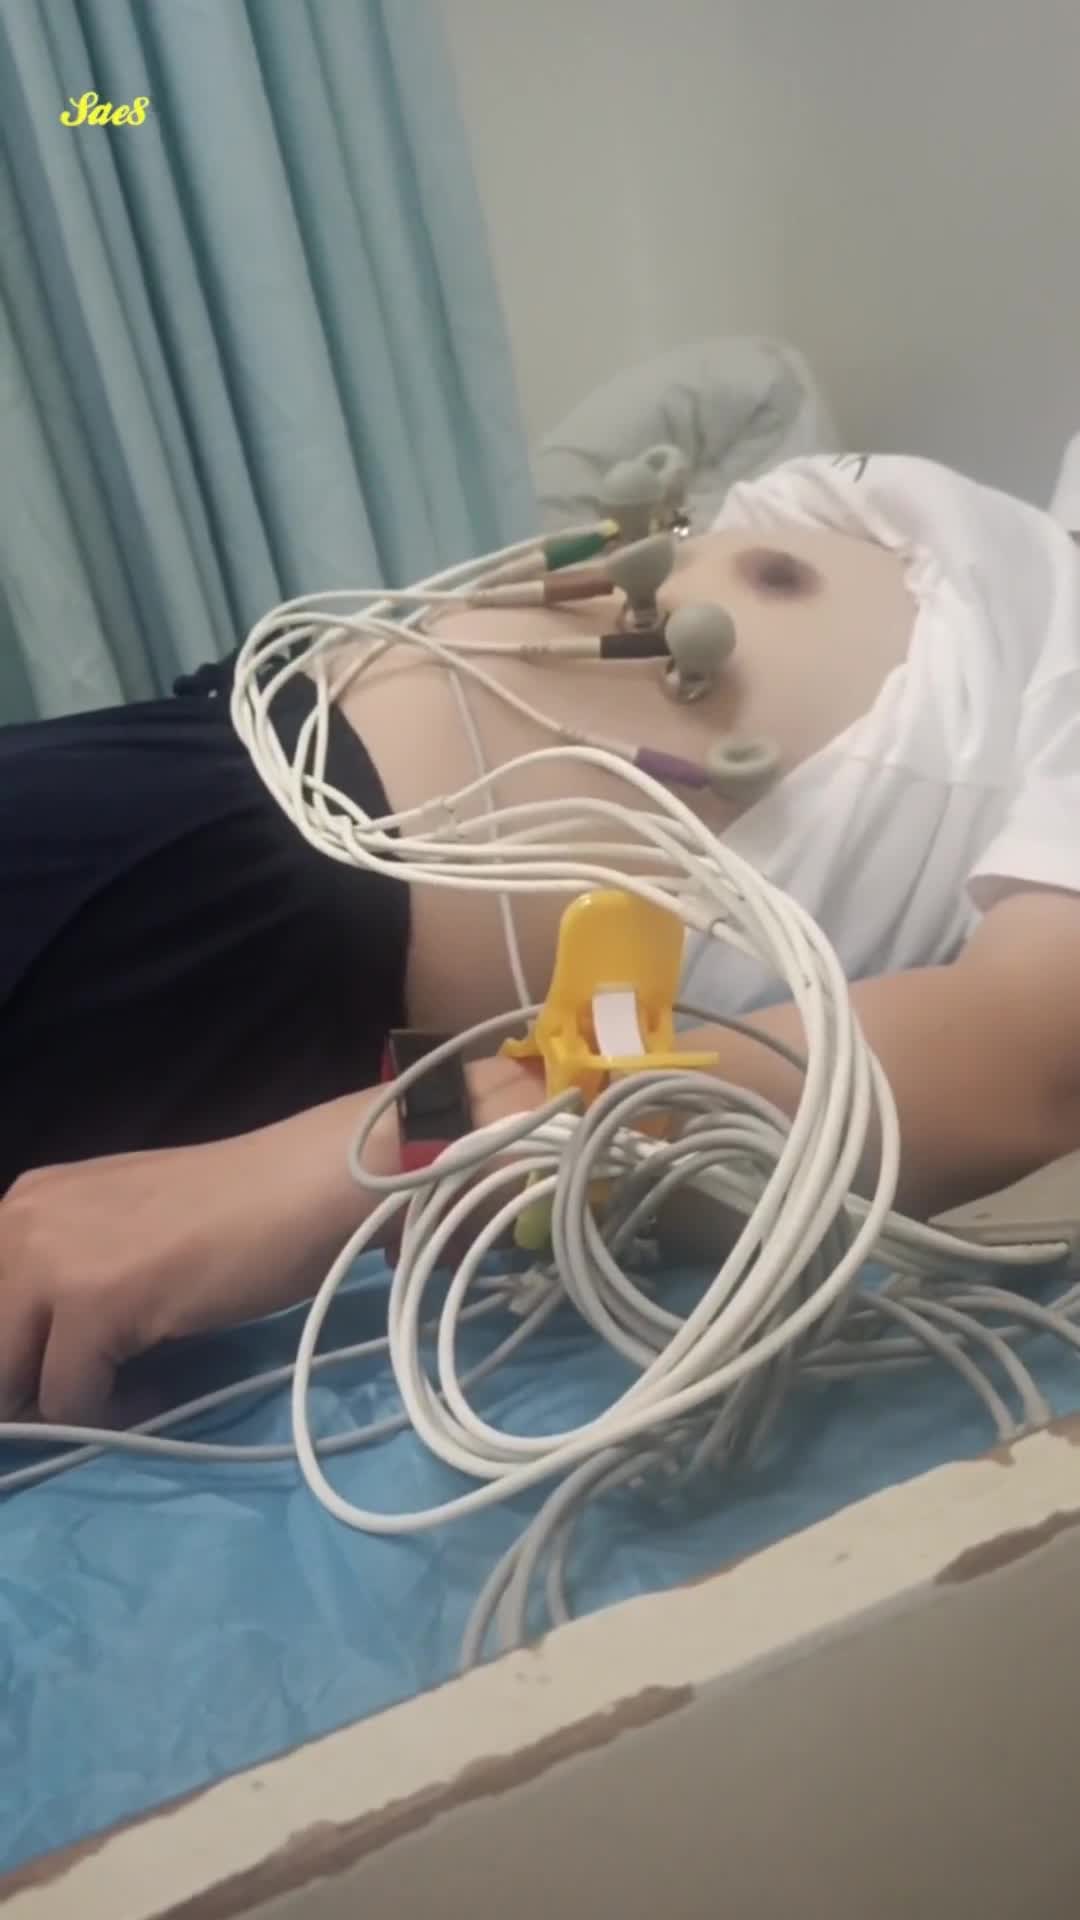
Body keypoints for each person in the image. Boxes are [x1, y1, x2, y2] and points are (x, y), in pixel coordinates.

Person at [5, 449, 1080, 1427]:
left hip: (241, 942)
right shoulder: (964, 519)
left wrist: (381, 1146)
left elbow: (1025, 1067)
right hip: (206, 738)